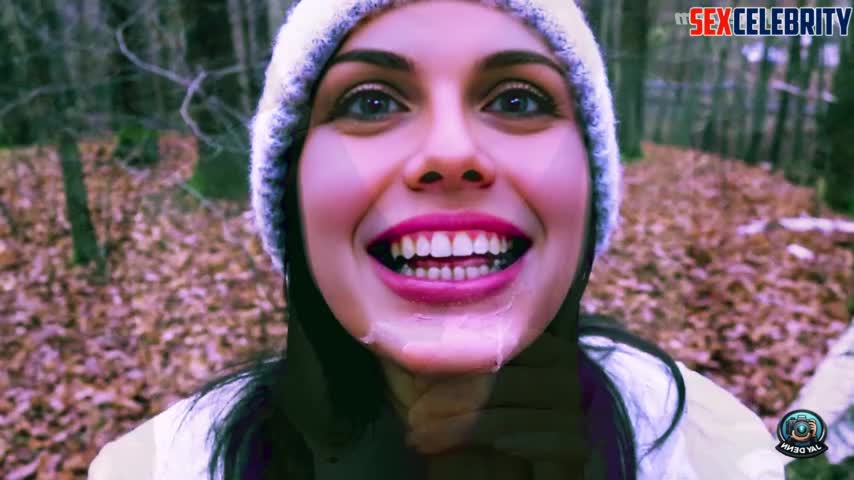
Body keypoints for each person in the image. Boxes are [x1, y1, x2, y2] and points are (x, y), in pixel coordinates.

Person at [88, 1, 787, 479]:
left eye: (518, 99)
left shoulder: (720, 452)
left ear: (591, 181)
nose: (451, 153)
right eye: (370, 102)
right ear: (289, 189)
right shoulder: (153, 469)